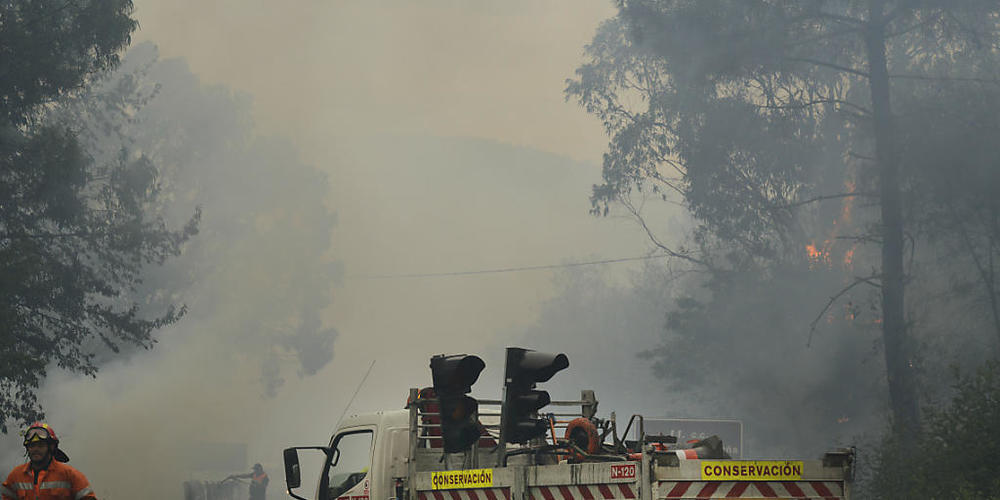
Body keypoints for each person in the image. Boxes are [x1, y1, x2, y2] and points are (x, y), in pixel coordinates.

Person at [0, 422, 96, 500]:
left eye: (40, 445)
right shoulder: (16, 476)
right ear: (27, 448)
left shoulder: (70, 475)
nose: (36, 449)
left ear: (51, 447)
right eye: (32, 446)